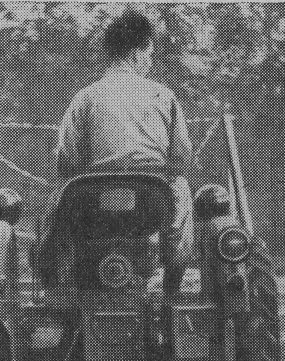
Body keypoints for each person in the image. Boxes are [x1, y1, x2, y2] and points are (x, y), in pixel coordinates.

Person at [55, 9, 194, 299]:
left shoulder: (85, 97)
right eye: (150, 53)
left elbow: (66, 161)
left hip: (93, 201)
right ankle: (172, 287)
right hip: (152, 202)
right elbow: (182, 158)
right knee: (181, 187)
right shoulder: (162, 95)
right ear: (137, 52)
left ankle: (62, 283)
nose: (150, 61)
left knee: (59, 199)